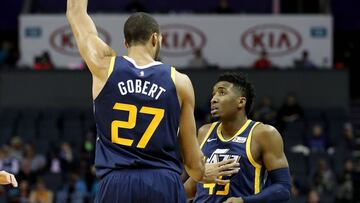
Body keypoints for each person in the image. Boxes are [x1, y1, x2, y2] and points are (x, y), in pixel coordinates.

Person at [67, 2, 231, 202]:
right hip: (164, 182)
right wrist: (203, 171)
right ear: (155, 39)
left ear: (126, 43)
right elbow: (193, 166)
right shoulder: (180, 82)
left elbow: (75, 13)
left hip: (116, 183)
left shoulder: (103, 66)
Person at [185, 72, 291, 203]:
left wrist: (244, 201)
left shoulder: (264, 133)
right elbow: (193, 186)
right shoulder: (204, 132)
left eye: (221, 93)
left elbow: (283, 188)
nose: (213, 99)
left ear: (240, 102)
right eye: (213, 94)